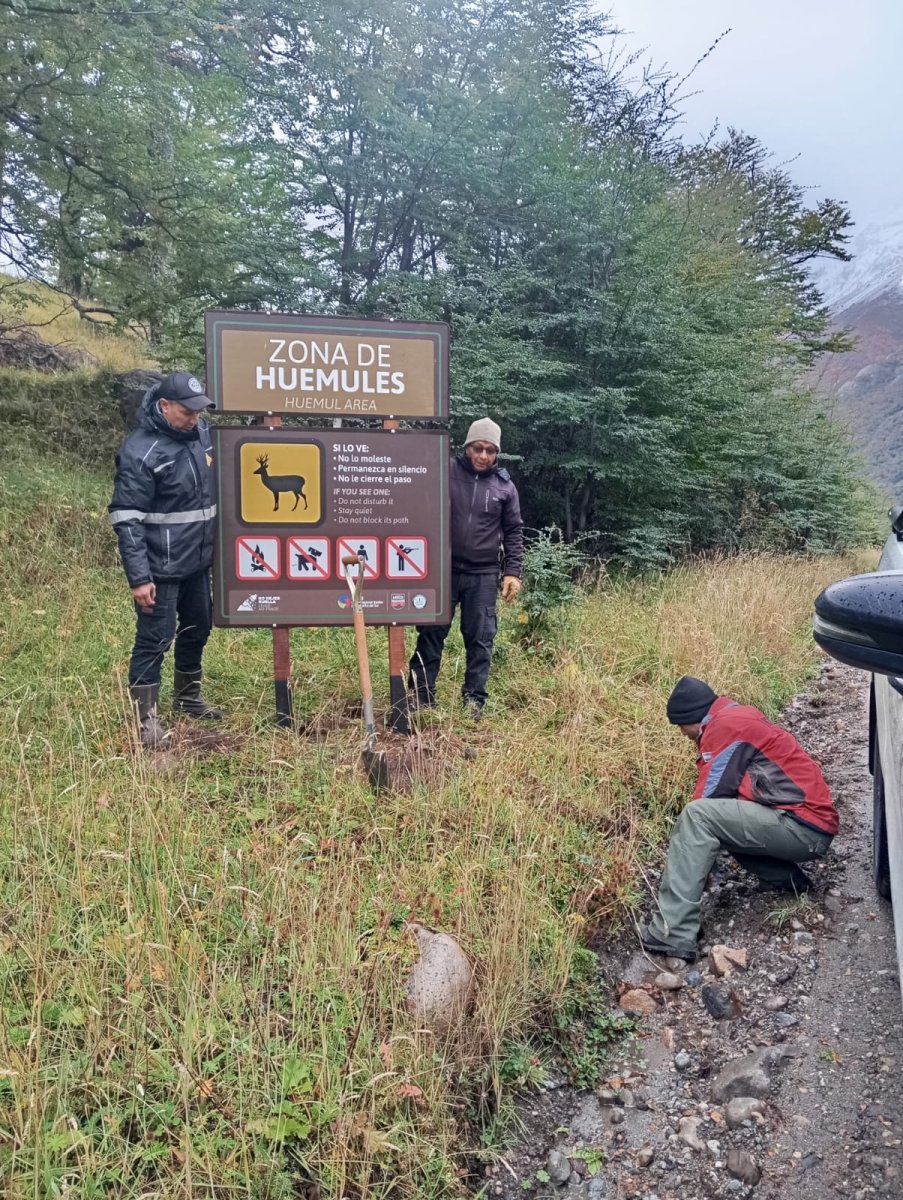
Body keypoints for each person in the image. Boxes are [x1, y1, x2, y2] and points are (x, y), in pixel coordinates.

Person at [641, 676, 839, 961]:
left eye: (681, 726)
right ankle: (786, 881)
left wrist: (693, 863)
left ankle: (672, 932)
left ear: (692, 718)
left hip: (803, 828)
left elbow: (706, 801)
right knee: (723, 814)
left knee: (697, 816)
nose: (682, 733)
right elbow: (722, 798)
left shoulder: (725, 727)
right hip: (806, 826)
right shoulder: (735, 716)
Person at [108, 371, 221, 748]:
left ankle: (188, 697)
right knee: (155, 639)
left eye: (199, 412)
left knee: (198, 629)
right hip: (160, 569)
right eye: (187, 412)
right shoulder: (140, 452)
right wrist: (140, 578)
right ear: (164, 406)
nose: (195, 419)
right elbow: (127, 519)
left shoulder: (201, 436)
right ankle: (145, 719)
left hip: (198, 564)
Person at [408, 417, 524, 719]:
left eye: (490, 450)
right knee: (431, 635)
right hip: (441, 572)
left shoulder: (505, 487)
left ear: (497, 453)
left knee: (480, 639)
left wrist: (513, 572)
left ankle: (474, 702)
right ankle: (420, 698)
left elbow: (514, 531)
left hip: (483, 574)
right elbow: (417, 507)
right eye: (477, 448)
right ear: (467, 447)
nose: (483, 456)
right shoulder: (444, 471)